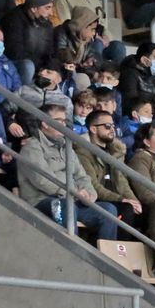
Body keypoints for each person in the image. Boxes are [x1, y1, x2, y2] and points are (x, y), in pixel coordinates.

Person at [18, 103, 120, 240]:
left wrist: (90, 194)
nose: (63, 124)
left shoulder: (67, 147)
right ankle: (74, 252)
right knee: (66, 206)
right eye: (58, 121)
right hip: (43, 201)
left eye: (64, 121)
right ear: (45, 123)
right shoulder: (32, 147)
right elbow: (44, 181)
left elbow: (82, 176)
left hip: (72, 200)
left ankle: (103, 258)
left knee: (108, 210)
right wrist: (75, 192)